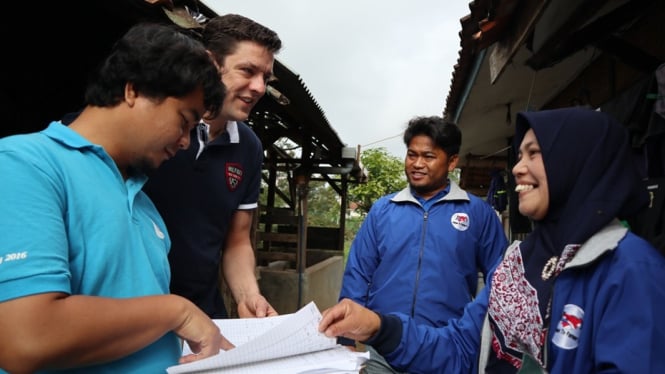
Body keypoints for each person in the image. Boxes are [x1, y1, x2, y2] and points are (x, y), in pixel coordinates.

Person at [319, 107, 665, 373]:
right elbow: (463, 347)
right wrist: (378, 328)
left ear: (578, 162)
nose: (516, 168)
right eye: (519, 156)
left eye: (534, 154)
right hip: (395, 350)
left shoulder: (629, 268)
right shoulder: (518, 263)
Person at [0, 23, 231, 373]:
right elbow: (25, 337)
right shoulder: (25, 164)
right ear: (133, 90)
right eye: (184, 120)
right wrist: (175, 311)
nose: (185, 141)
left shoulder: (146, 208)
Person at [338, 115, 508, 372]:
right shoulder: (384, 210)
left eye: (428, 156)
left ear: (452, 162)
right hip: (384, 347)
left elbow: (502, 279)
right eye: (411, 155)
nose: (417, 164)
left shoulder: (478, 214)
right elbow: (358, 273)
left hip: (445, 350)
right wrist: (346, 336)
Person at [143, 14, 282, 319]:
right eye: (247, 70)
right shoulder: (150, 125)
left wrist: (249, 297)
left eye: (266, 78)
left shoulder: (249, 147)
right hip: (135, 312)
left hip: (204, 312)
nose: (259, 87)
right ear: (210, 63)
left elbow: (237, 240)